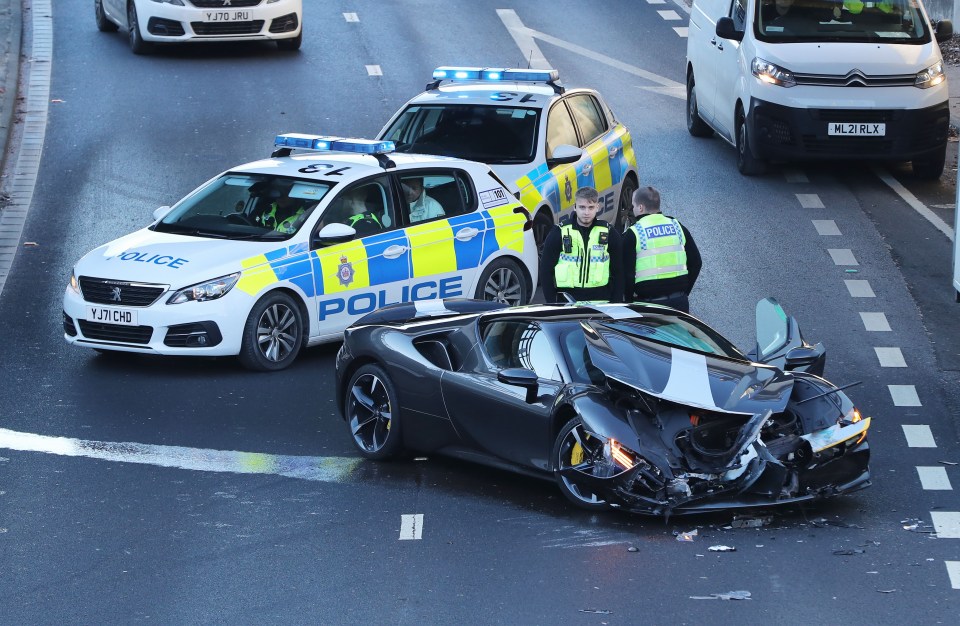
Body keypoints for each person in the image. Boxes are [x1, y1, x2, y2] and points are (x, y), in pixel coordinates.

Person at [621, 186, 701, 313]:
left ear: (640, 207)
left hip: (648, 305)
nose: (633, 209)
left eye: (633, 205)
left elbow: (627, 274)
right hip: (679, 302)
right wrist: (684, 292)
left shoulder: (634, 232)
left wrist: (629, 302)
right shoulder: (677, 226)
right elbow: (696, 262)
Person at [540, 186, 622, 303]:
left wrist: (616, 304)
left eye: (591, 207)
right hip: (568, 302)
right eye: (582, 207)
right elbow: (545, 270)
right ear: (575, 207)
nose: (586, 212)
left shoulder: (609, 233)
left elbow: (618, 272)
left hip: (601, 302)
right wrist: (552, 302)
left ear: (597, 207)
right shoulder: (560, 232)